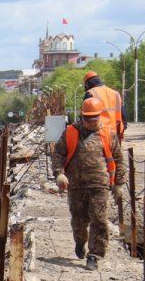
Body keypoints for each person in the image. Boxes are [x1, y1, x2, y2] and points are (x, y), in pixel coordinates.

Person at [53, 97, 125, 271]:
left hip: (99, 185)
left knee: (99, 220)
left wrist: (118, 184)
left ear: (99, 116)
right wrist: (59, 174)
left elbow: (119, 159)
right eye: (87, 118)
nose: (90, 122)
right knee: (79, 220)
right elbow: (58, 154)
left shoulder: (108, 134)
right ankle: (80, 241)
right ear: (82, 116)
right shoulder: (70, 132)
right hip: (76, 185)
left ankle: (94, 255)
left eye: (94, 118)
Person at [83, 71, 126, 140]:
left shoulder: (91, 93)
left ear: (87, 84)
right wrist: (123, 128)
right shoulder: (115, 93)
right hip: (115, 133)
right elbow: (123, 114)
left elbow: (85, 115)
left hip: (98, 134)